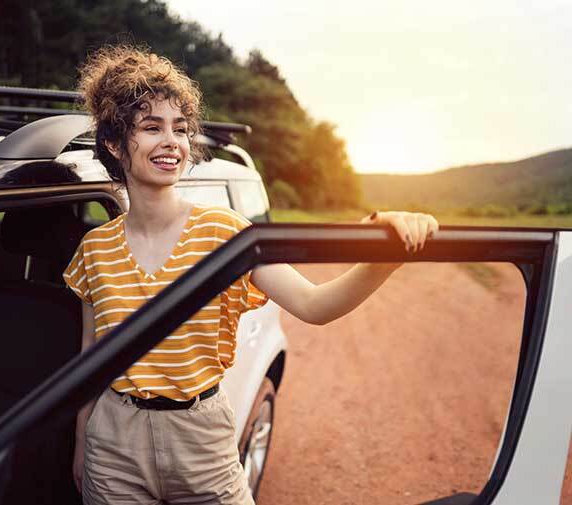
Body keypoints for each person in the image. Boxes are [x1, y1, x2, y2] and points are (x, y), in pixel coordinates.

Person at [63, 45, 439, 505]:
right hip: (114, 439)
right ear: (116, 144)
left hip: (200, 437)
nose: (172, 142)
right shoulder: (94, 248)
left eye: (180, 129)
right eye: (151, 127)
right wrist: (84, 443)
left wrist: (386, 253)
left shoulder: (227, 233)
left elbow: (314, 305)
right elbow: (91, 358)